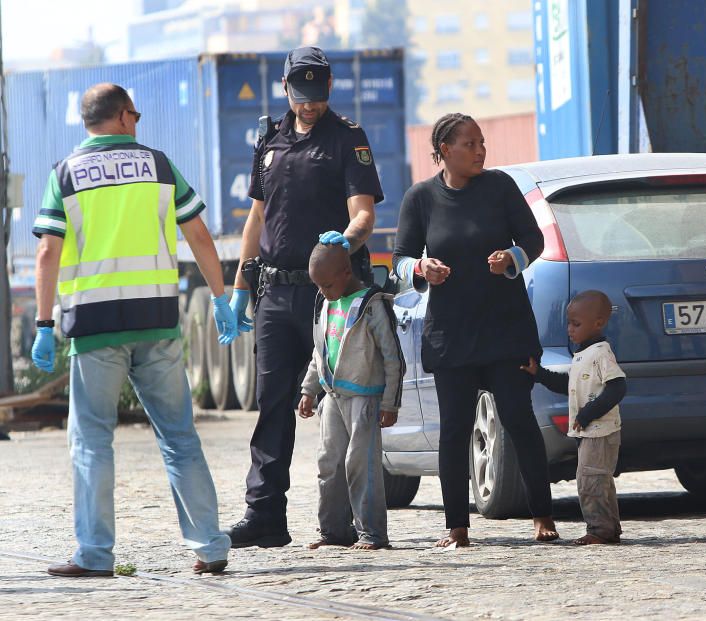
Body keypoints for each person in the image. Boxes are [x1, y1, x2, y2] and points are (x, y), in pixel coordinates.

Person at [30, 83, 236, 576]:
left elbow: (47, 253)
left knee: (92, 441)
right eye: (136, 114)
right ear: (122, 116)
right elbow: (199, 234)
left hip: (95, 328)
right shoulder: (159, 167)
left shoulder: (66, 174)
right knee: (179, 438)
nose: (138, 122)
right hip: (157, 322)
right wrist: (221, 298)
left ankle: (95, 554)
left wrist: (43, 323)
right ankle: (210, 546)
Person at [226, 46, 384, 548]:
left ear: (329, 89)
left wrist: (348, 239)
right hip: (274, 293)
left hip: (328, 296)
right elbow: (256, 218)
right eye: (300, 95)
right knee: (272, 404)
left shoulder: (347, 139)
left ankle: (345, 522)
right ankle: (265, 517)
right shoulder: (268, 140)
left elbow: (363, 213)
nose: (308, 105)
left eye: (316, 96)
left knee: (341, 405)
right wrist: (238, 288)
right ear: (285, 88)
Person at [392, 112, 559, 547]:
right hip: (451, 334)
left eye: (482, 143)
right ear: (445, 150)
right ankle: (457, 527)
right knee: (455, 429)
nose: (481, 151)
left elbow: (535, 241)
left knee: (519, 420)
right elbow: (400, 259)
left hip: (506, 330)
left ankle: (543, 515)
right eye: (470, 144)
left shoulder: (500, 187)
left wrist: (512, 258)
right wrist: (422, 268)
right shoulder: (420, 198)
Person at [298, 237, 404, 550]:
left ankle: (372, 532)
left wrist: (390, 402)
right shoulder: (327, 302)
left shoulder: (372, 305)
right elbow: (321, 353)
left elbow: (392, 357)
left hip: (365, 400)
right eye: (318, 285)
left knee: (361, 467)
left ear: (346, 272)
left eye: (327, 284)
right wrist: (308, 390)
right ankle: (333, 531)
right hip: (332, 397)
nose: (322, 291)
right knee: (328, 463)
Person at [521, 290, 627, 545]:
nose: (570, 329)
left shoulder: (601, 352)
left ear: (598, 323)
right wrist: (539, 374)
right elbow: (567, 384)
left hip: (600, 430)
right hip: (590, 431)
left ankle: (599, 530)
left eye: (576, 324)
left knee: (590, 481)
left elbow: (617, 387)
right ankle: (609, 529)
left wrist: (588, 413)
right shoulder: (582, 354)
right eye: (568, 323)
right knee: (599, 480)